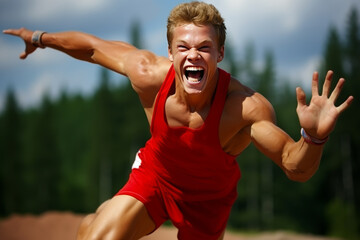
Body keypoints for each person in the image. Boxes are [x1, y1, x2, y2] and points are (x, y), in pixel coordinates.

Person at [3, 1, 353, 240]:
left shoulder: (244, 109)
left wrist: (313, 137)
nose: (193, 55)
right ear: (170, 52)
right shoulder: (148, 74)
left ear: (220, 53)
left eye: (204, 47)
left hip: (208, 201)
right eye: (183, 47)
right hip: (157, 177)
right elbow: (92, 47)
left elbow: (295, 166)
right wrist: (39, 38)